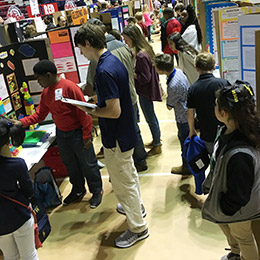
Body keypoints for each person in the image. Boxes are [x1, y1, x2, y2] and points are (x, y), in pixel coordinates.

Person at [74, 23, 149, 248]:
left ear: (88, 43)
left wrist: (90, 110)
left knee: (123, 182)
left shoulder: (103, 70)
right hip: (124, 133)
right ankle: (137, 208)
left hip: (116, 136)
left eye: (80, 48)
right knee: (129, 176)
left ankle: (138, 228)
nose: (80, 53)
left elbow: (113, 111)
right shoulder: (112, 60)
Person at [12, 60, 103, 208]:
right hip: (62, 134)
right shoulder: (46, 93)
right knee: (70, 164)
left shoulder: (69, 87)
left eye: (39, 78)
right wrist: (21, 123)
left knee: (88, 164)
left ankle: (96, 191)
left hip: (78, 133)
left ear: (48, 75)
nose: (38, 82)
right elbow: (39, 115)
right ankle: (78, 189)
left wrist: (87, 136)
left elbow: (84, 113)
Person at [202, 80, 260, 260]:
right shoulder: (231, 129)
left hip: (239, 207)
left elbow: (239, 194)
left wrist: (226, 206)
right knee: (232, 231)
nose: (215, 109)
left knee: (243, 237)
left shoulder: (240, 153)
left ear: (223, 113)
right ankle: (235, 253)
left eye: (216, 106)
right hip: (230, 199)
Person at [85, 19, 148, 172]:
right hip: (131, 96)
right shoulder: (124, 47)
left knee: (121, 136)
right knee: (134, 128)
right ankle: (141, 159)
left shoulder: (99, 59)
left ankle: (131, 162)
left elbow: (90, 87)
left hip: (114, 101)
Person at [0, 116, 39, 260]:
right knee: (30, 255)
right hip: (19, 216)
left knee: (10, 257)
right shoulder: (17, 164)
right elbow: (29, 191)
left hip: (1, 225)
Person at [123, 24, 162, 156]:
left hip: (145, 91)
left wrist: (133, 74)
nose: (126, 43)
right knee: (151, 116)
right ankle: (156, 140)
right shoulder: (145, 49)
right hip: (148, 90)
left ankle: (157, 144)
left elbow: (145, 77)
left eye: (126, 39)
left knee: (150, 117)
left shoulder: (140, 55)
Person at [154, 53, 191, 175]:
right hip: (188, 113)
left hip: (183, 117)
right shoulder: (178, 72)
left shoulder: (173, 85)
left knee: (184, 141)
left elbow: (170, 106)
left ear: (162, 69)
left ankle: (186, 166)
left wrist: (167, 100)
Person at [187, 52, 230, 154]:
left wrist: (191, 129)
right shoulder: (223, 83)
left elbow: (190, 112)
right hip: (224, 130)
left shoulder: (193, 88)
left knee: (212, 158)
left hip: (206, 132)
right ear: (214, 66)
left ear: (196, 68)